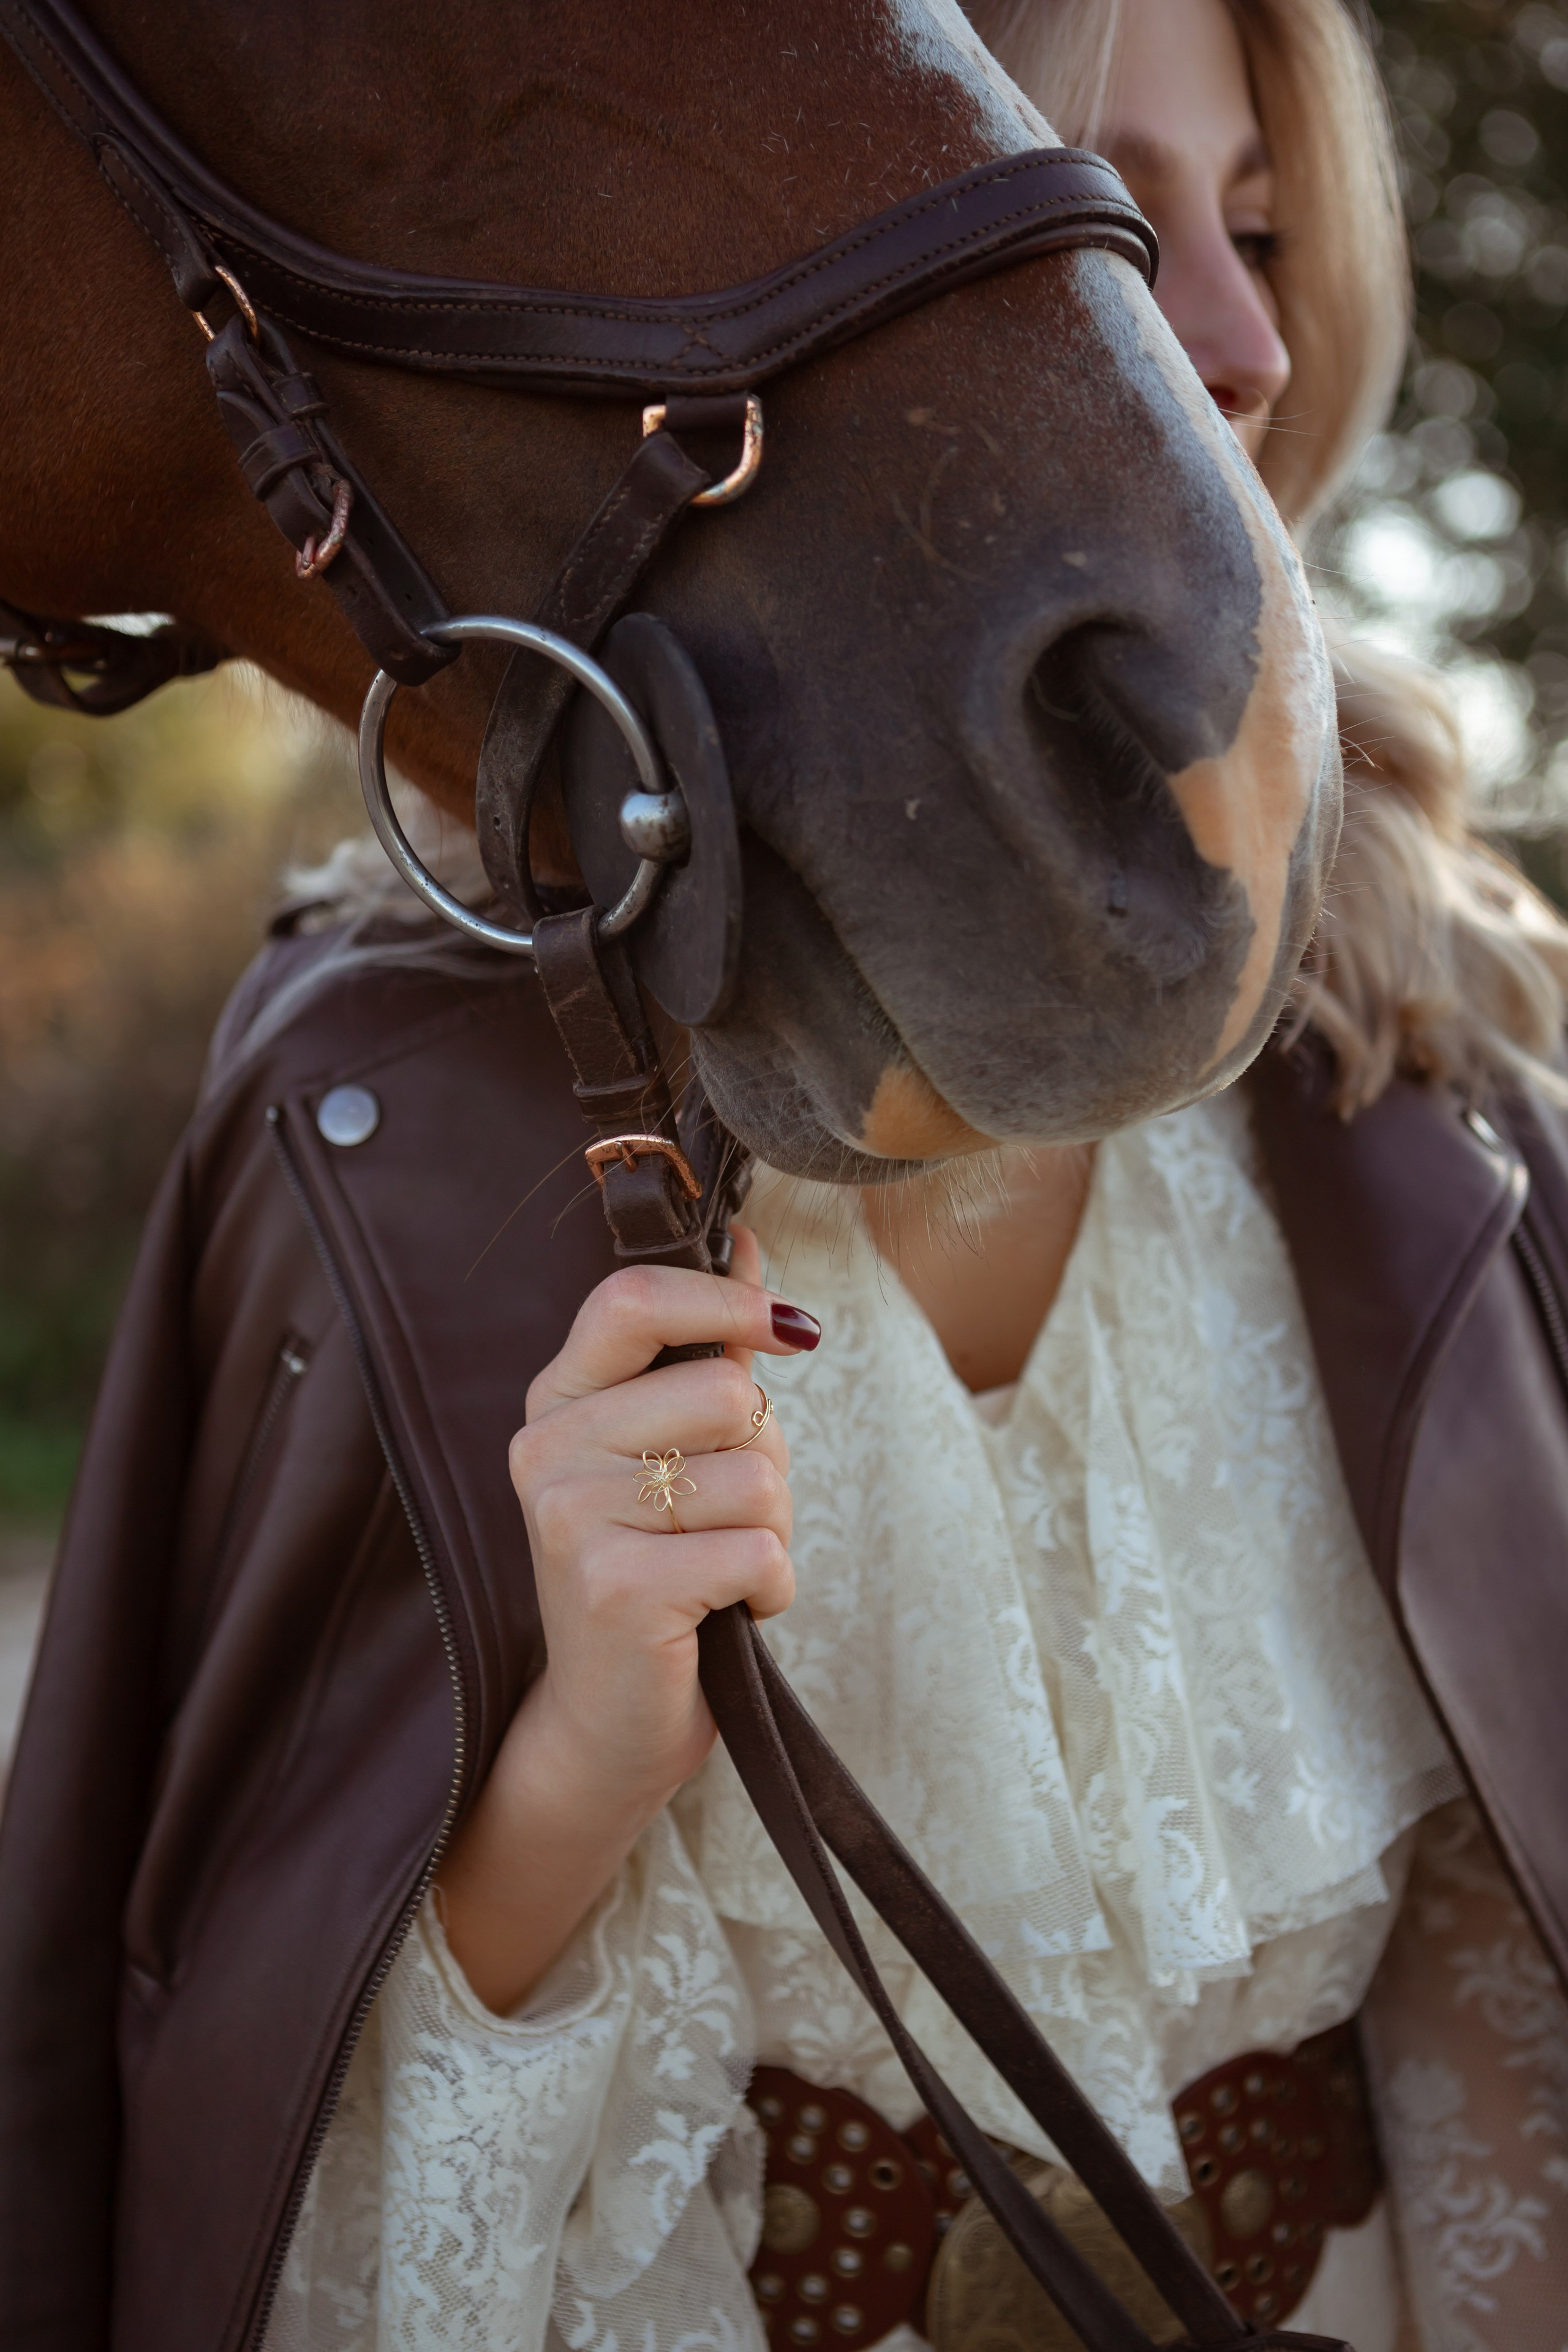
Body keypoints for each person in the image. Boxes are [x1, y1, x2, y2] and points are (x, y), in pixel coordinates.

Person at [4, 4, 1567, 2350]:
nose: (1234, 338)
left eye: (1263, 238)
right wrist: (568, 1772)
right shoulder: (368, 1123)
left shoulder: (1427, 1077)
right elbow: (279, 2175)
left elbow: (1500, 1968)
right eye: (1117, 193)